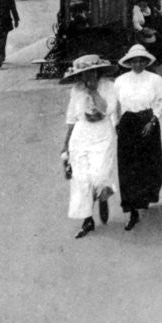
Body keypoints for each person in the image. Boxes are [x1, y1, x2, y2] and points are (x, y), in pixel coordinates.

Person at [60, 54, 118, 239]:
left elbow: (106, 109)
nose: (89, 77)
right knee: (81, 179)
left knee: (100, 175)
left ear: (98, 71)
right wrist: (65, 144)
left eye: (92, 73)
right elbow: (71, 117)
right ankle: (87, 220)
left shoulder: (108, 86)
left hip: (102, 134)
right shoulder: (76, 90)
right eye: (85, 74)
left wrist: (93, 91)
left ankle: (102, 194)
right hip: (81, 134)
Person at [113, 44, 162, 231]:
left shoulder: (155, 79)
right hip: (128, 123)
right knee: (128, 166)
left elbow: (160, 102)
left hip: (148, 121)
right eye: (133, 61)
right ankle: (132, 210)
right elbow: (116, 106)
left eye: (141, 60)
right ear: (128, 62)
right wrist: (116, 124)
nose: (137, 64)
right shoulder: (120, 81)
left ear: (146, 61)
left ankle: (145, 197)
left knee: (149, 163)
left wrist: (152, 121)